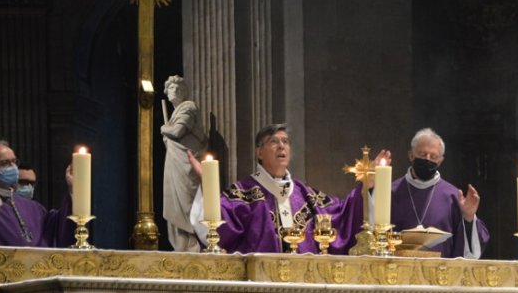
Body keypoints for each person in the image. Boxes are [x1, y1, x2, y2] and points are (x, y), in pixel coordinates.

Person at [190, 124, 363, 254]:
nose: (281, 146)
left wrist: (367, 188)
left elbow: (342, 213)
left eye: (285, 142)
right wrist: (208, 185)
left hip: (304, 285)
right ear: (259, 153)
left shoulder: (305, 194)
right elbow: (215, 229)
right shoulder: (243, 193)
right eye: (274, 141)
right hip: (260, 289)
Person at [372, 128, 488, 259]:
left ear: (440, 161)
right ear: (411, 155)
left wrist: (468, 217)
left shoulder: (453, 196)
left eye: (433, 156)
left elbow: (470, 252)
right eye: (422, 154)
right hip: (398, 274)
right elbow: (372, 232)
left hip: (441, 275)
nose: (427, 159)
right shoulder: (390, 192)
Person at [0, 140, 74, 247]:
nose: (12, 167)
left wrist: (73, 189)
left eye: (14, 161)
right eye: (5, 163)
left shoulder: (34, 207)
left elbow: (56, 229)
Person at [161, 75, 207, 252]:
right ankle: (182, 243)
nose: (174, 91)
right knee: (175, 203)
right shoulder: (176, 111)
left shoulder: (188, 107)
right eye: (171, 88)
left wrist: (164, 129)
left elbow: (178, 130)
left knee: (186, 202)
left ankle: (192, 243)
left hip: (186, 164)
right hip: (175, 162)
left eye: (177, 88)